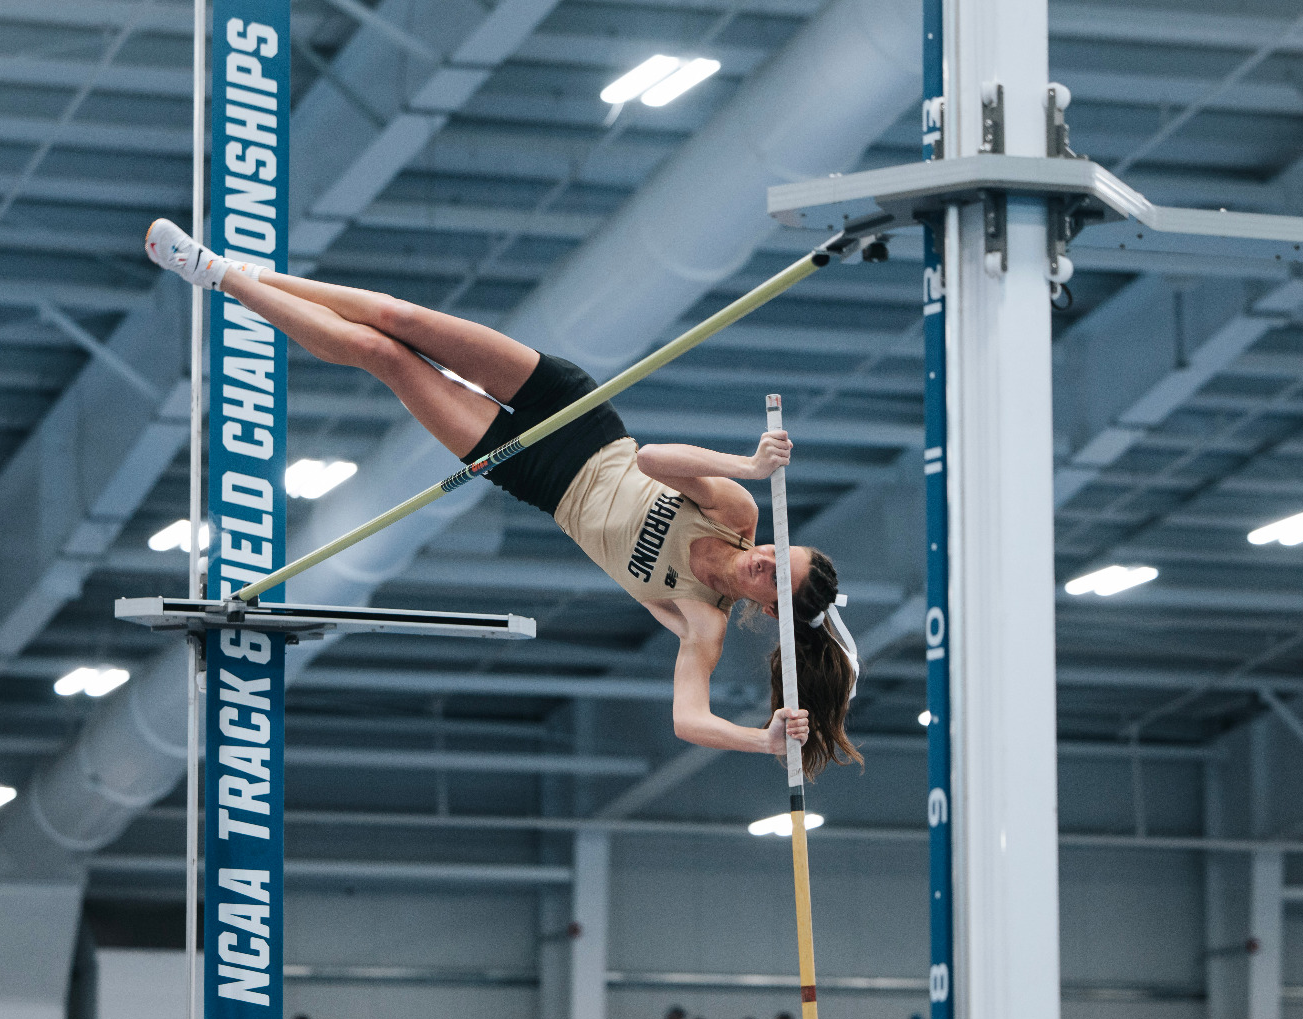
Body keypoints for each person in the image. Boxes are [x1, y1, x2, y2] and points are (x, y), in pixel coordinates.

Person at [145, 220, 857, 766]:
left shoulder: (700, 619)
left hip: (534, 474)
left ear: (770, 607)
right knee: (402, 318)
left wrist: (760, 742)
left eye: (774, 576)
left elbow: (686, 719)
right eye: (780, 552)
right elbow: (651, 456)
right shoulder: (738, 511)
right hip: (578, 414)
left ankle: (219, 279)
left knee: (383, 356)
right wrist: (748, 466)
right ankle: (241, 270)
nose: (766, 558)